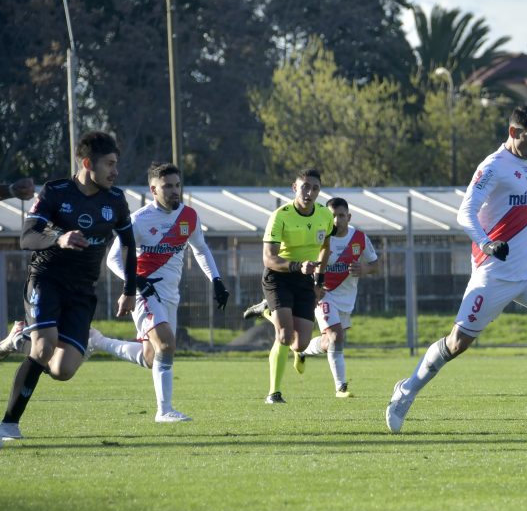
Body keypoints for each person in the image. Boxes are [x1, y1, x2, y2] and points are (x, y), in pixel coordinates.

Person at [385, 105, 527, 434]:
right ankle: (407, 390)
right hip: (494, 272)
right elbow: (464, 213)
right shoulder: (493, 167)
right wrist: (486, 243)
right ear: (513, 133)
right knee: (457, 344)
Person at [0, 131, 137, 441]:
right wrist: (57, 238)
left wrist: (130, 289)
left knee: (62, 371)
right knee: (44, 347)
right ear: (88, 163)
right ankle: (8, 423)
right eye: (110, 164)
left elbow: (128, 244)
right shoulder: (56, 192)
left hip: (82, 291)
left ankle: (18, 341)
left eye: (117, 164)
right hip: (46, 279)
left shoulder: (115, 199)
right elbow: (27, 237)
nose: (115, 171)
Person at [92, 162, 229, 423]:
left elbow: (201, 249)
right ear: (153, 189)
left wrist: (217, 280)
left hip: (170, 296)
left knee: (151, 356)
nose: (175, 191)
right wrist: (135, 283)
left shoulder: (189, 217)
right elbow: (112, 259)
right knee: (166, 344)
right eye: (168, 186)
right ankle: (164, 411)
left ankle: (98, 342)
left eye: (177, 185)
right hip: (145, 292)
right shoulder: (139, 221)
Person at [244, 197, 377, 398]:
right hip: (322, 293)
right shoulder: (320, 236)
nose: (336, 220)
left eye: (341, 216)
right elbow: (310, 262)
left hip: (345, 299)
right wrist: (317, 285)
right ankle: (341, 388)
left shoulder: (359, 239)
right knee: (335, 336)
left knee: (321, 343)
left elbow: (376, 265)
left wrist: (365, 268)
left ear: (348, 217)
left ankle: (302, 351)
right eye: (332, 216)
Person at [257, 169, 334, 404]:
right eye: (305, 187)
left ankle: (267, 311)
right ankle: (274, 393)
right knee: (284, 336)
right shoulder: (281, 216)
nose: (309, 192)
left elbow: (325, 248)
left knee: (299, 343)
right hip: (278, 276)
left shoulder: (324, 215)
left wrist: (319, 281)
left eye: (315, 188)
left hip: (305, 279)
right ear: (294, 188)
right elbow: (269, 258)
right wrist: (298, 265)